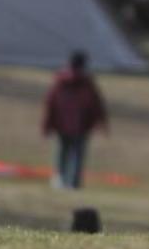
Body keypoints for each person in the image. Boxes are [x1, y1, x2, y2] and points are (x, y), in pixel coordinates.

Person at [41, 51, 108, 189]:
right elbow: (96, 105)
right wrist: (101, 122)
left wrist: (47, 125)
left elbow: (50, 104)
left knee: (62, 153)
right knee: (77, 156)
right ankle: (73, 182)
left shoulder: (60, 81)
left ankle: (59, 179)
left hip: (61, 124)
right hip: (81, 125)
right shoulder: (87, 83)